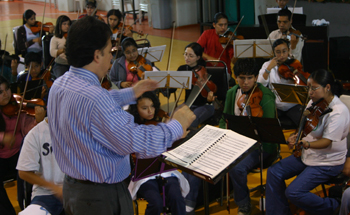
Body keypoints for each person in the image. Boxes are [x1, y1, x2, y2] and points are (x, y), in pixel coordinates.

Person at [47, 16, 195, 215]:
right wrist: (176, 125)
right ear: (97, 55)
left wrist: (132, 93)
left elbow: (96, 104)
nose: (112, 57)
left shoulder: (60, 84)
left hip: (74, 189)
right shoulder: (96, 99)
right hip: (100, 197)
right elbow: (137, 140)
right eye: (110, 51)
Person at [265, 69, 350, 215]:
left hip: (328, 162)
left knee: (293, 192)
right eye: (309, 87)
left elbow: (326, 142)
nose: (310, 92)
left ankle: (333, 205)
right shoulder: (314, 101)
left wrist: (306, 144)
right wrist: (296, 135)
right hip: (308, 155)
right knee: (274, 172)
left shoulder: (338, 112)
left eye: (314, 88)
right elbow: (307, 127)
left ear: (327, 87)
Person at [218, 58, 277, 215]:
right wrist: (224, 133)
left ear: (256, 78)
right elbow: (224, 119)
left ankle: (243, 204)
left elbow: (269, 130)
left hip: (261, 146)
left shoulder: (266, 96)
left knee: (237, 168)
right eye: (241, 78)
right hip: (235, 142)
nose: (245, 82)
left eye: (249, 78)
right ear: (236, 77)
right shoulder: (232, 93)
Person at [128, 91, 188, 215]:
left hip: (166, 171)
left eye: (152, 106)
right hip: (144, 176)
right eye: (144, 108)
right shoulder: (134, 129)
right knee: (156, 202)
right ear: (136, 109)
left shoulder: (161, 126)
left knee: (177, 197)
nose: (150, 111)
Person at [0, 75, 45, 215]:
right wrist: (4, 137)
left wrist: (38, 121)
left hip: (19, 154)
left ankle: (29, 206)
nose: (6, 94)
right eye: (0, 92)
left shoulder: (18, 107)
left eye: (7, 89)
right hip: (1, 158)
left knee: (30, 170)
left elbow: (28, 131)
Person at [16, 116, 65, 215]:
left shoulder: (77, 129)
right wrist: (55, 188)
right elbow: (24, 172)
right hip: (45, 194)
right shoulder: (35, 134)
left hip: (75, 192)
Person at [257, 39, 303, 127]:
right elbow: (260, 84)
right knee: (267, 123)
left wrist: (296, 76)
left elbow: (302, 84)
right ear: (273, 52)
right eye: (278, 52)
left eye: (284, 51)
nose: (281, 55)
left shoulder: (294, 64)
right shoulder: (267, 65)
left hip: (292, 104)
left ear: (289, 51)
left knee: (302, 122)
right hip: (275, 105)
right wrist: (269, 69)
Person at [177, 42, 215, 128]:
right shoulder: (182, 69)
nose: (187, 58)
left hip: (204, 106)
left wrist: (210, 98)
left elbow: (212, 90)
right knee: (172, 117)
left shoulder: (204, 70)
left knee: (190, 122)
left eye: (191, 56)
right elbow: (172, 89)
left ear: (198, 57)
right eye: (185, 54)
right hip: (188, 105)